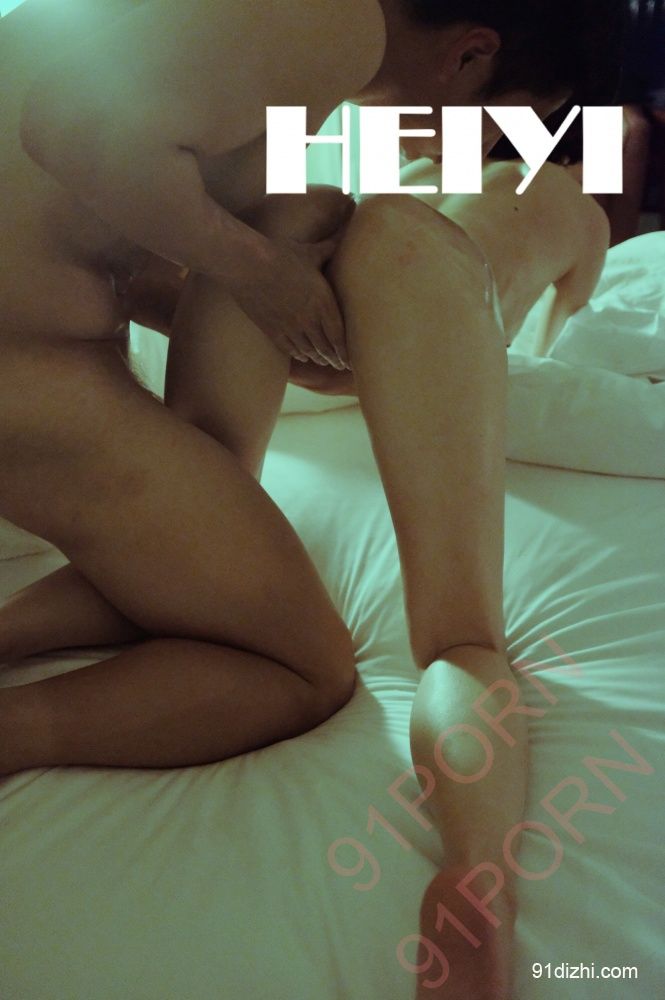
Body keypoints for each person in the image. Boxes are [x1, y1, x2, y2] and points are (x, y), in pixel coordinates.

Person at [0, 1, 621, 997]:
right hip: (47, 371)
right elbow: (73, 128)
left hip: (89, 343)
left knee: (203, 519)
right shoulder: (338, 30)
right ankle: (479, 874)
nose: (444, 142)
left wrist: (261, 283)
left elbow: (109, 214)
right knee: (431, 646)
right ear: (470, 54)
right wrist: (265, 279)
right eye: (490, 117)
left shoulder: (277, 166)